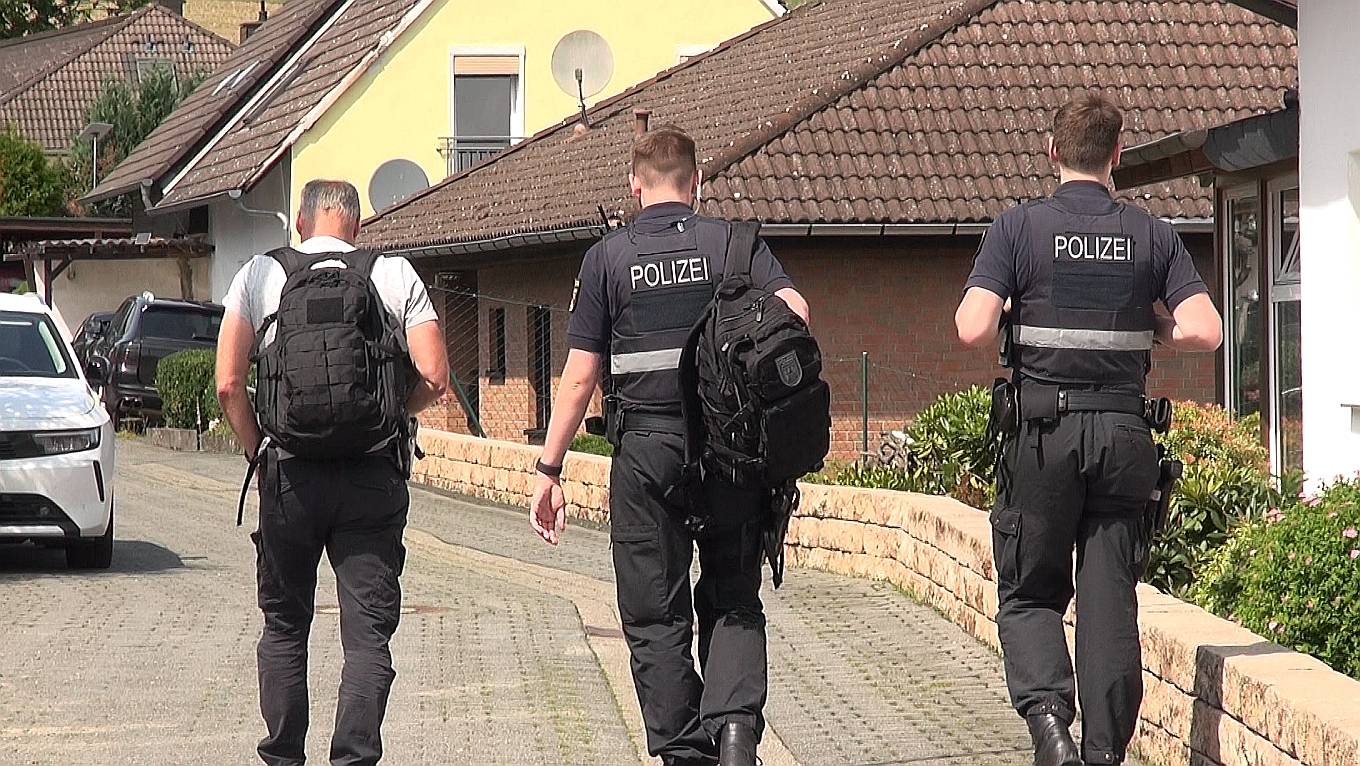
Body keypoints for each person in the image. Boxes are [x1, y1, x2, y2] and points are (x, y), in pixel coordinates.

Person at [529, 125, 809, 766]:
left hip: (645, 451)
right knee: (733, 595)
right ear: (697, 181)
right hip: (730, 452)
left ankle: (686, 753)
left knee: (655, 614)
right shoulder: (733, 245)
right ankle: (735, 735)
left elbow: (580, 375)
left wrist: (549, 467)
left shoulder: (607, 259)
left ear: (635, 185)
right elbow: (796, 313)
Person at [955, 93, 1222, 766]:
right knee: (1108, 603)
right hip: (1124, 439)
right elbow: (1206, 330)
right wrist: (1154, 324)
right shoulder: (1152, 235)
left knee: (1030, 591)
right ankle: (1104, 753)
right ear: (1117, 155)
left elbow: (971, 327)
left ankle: (1051, 728)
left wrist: (1012, 304)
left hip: (1043, 437)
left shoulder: (1018, 228)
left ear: (1052, 152)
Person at [215, 179, 449, 766]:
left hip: (289, 477)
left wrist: (257, 450)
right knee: (367, 636)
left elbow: (228, 384)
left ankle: (283, 757)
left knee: (284, 626)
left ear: (300, 222)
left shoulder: (261, 275)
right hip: (371, 477)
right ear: (357, 225)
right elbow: (435, 376)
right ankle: (353, 758)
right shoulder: (392, 274)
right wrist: (394, 413)